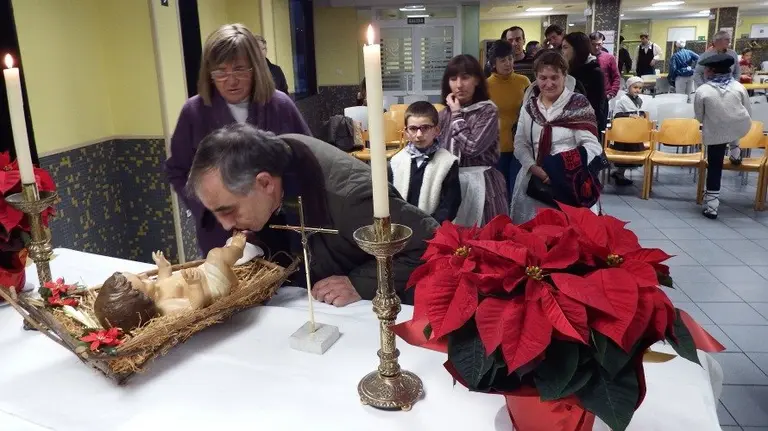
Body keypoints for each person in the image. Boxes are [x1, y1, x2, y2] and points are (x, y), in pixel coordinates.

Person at [185, 124, 437, 306]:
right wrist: (257, 244)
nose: (226, 225)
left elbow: (430, 243)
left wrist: (360, 283)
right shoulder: (274, 156)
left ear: (265, 183)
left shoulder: (349, 199)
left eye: (229, 210)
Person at [165, 23, 311, 256]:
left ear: (256, 68)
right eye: (220, 72)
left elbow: (307, 161)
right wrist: (211, 208)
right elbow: (177, 170)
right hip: (222, 235)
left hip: (280, 229)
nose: (231, 81)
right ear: (209, 73)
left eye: (240, 69)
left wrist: (287, 205)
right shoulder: (194, 112)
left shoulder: (280, 105)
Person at [509, 50, 603, 224]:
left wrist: (561, 168)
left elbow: (593, 147)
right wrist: (534, 168)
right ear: (536, 78)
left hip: (571, 184)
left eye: (554, 77)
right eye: (543, 78)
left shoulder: (578, 105)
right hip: (534, 184)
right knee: (533, 234)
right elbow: (520, 144)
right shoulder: (529, 107)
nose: (549, 83)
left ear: (564, 76)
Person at [437, 54, 506, 226]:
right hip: (451, 183)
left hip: (481, 182)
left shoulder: (487, 111)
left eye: (465, 77)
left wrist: (456, 115)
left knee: (483, 234)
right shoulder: (443, 114)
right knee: (454, 237)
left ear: (477, 80)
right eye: (453, 79)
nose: (459, 85)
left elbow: (471, 147)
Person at [693, 54, 752, 220]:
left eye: (706, 69)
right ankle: (735, 150)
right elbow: (748, 110)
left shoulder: (703, 90)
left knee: (715, 166)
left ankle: (712, 207)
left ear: (711, 71)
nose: (705, 71)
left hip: (715, 132)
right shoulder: (739, 87)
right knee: (733, 126)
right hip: (739, 126)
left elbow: (699, 116)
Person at [388, 102, 461, 224]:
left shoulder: (448, 162)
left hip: (433, 227)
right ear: (406, 132)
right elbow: (391, 198)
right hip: (403, 226)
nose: (419, 135)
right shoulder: (396, 161)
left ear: (436, 130)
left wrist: (431, 225)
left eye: (425, 128)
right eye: (413, 129)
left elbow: (451, 203)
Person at [486, 40, 531, 198]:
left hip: (521, 146)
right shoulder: (485, 86)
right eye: (503, 60)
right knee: (499, 192)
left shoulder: (524, 81)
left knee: (518, 191)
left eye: (510, 58)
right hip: (496, 148)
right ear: (494, 63)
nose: (508, 63)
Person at [563, 32, 608, 134]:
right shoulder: (568, 71)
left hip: (586, 129)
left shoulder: (595, 72)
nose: (563, 52)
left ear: (577, 49)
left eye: (565, 47)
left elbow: (597, 108)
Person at [609, 76, 647, 186]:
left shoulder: (639, 100)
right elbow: (617, 115)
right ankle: (619, 174)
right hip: (623, 133)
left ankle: (619, 173)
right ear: (629, 87)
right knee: (624, 153)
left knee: (632, 153)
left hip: (633, 132)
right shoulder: (623, 100)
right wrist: (630, 115)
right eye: (635, 87)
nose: (637, 90)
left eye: (640, 88)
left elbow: (639, 112)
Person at [589, 31, 621, 99]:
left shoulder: (609, 58)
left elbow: (616, 77)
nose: (596, 47)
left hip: (605, 95)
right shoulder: (584, 57)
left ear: (603, 43)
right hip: (588, 95)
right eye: (593, 44)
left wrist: (612, 93)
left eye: (599, 44)